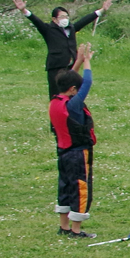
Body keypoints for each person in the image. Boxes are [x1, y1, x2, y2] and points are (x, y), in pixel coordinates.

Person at [15, 0, 112, 94]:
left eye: (66, 16)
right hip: (56, 67)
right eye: (62, 17)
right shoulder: (48, 30)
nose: (65, 19)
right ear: (54, 19)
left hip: (71, 66)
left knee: (71, 93)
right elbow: (36, 21)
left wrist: (102, 10)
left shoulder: (71, 28)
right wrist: (24, 10)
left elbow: (85, 20)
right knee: (56, 94)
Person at [48, 48, 97, 239]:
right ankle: (76, 230)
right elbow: (88, 82)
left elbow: (66, 79)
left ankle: (64, 226)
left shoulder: (55, 99)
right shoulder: (73, 105)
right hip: (78, 153)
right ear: (72, 90)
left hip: (63, 152)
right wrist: (86, 62)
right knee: (80, 188)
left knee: (65, 187)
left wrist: (76, 62)